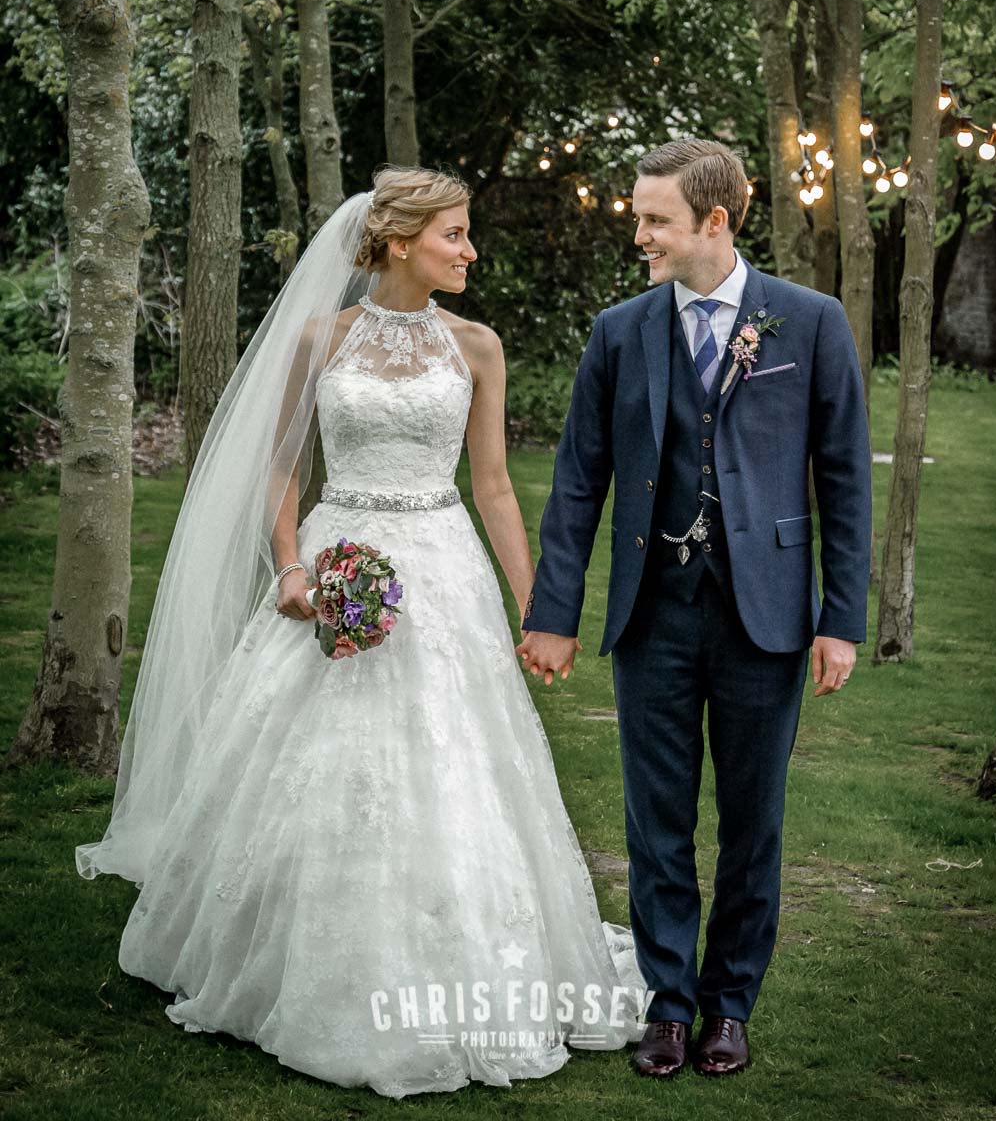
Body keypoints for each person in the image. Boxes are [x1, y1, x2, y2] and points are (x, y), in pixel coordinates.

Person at [76, 166, 645, 1100]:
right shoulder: (319, 339)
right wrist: (292, 565)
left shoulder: (478, 346)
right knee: (311, 755)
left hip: (443, 568)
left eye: (467, 234)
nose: (470, 250)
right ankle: (284, 952)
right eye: (455, 234)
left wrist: (540, 608)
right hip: (337, 554)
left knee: (450, 753)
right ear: (397, 241)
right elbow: (280, 470)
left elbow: (494, 485)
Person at [516, 138, 871, 1080]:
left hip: (768, 614)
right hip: (653, 613)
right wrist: (553, 611)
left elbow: (843, 479)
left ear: (714, 221)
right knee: (655, 820)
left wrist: (841, 617)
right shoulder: (619, 330)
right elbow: (578, 481)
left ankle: (729, 1007)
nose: (638, 235)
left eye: (655, 220)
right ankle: (669, 1007)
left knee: (754, 821)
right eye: (639, 217)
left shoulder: (809, 320)